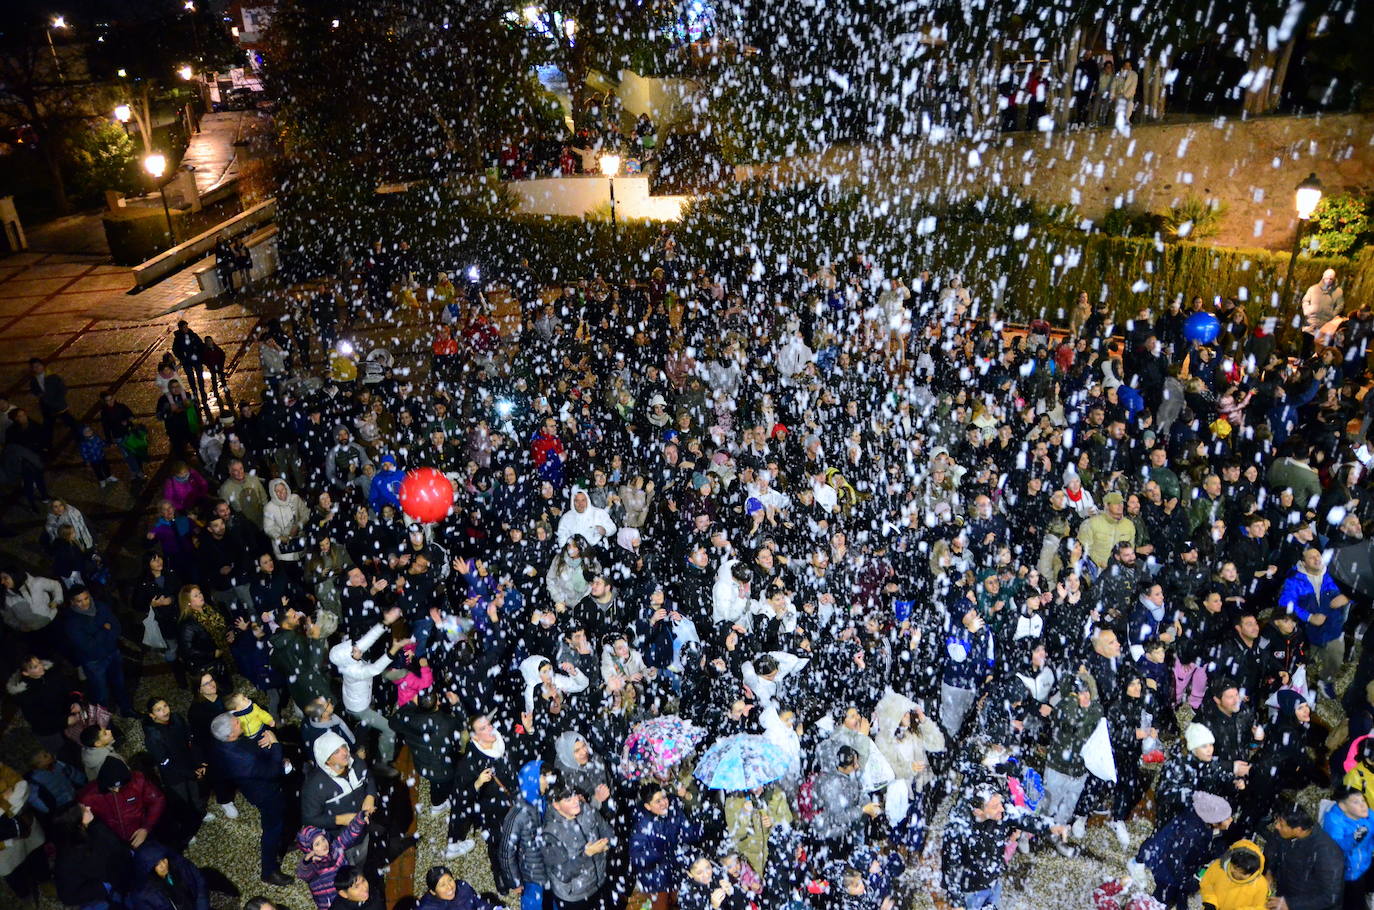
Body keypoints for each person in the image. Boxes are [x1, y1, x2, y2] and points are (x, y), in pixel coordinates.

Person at [941, 786, 1069, 909]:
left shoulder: (1001, 813)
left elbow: (1024, 819)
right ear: (978, 811)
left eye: (1000, 803)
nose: (1002, 808)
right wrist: (956, 902)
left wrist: (1050, 827)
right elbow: (950, 867)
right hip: (971, 890)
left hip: (994, 881)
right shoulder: (959, 829)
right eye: (995, 806)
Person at [209, 711, 293, 886]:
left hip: (256, 785)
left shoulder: (223, 743)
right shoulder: (240, 758)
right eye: (236, 723)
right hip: (265, 793)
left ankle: (281, 843)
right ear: (231, 735)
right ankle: (269, 870)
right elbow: (271, 772)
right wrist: (275, 745)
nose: (239, 722)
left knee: (280, 820)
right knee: (272, 828)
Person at [541, 782, 614, 910]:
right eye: (568, 800)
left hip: (599, 882)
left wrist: (606, 845)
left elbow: (607, 832)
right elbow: (563, 874)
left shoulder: (587, 809)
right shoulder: (550, 834)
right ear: (556, 805)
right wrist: (587, 854)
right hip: (575, 896)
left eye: (575, 796)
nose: (576, 801)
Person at [1265, 802, 1347, 910]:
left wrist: (1291, 905)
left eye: (1281, 824)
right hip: (1285, 894)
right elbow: (1272, 847)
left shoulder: (1327, 853)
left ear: (1298, 829)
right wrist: (1269, 870)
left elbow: (1330, 897)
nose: (1276, 826)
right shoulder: (1283, 833)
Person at [1321, 787, 1374, 910]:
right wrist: (1353, 839)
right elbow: (1336, 850)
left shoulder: (1367, 814)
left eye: (1363, 800)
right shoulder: (1334, 821)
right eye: (1356, 802)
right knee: (1354, 902)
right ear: (1343, 806)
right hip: (1349, 872)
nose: (1363, 805)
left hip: (1365, 860)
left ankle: (1369, 895)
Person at [416, 866, 502, 910]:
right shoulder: (426, 907)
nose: (449, 887)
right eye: (442, 885)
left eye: (450, 880)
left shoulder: (462, 887)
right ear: (433, 892)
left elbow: (478, 902)